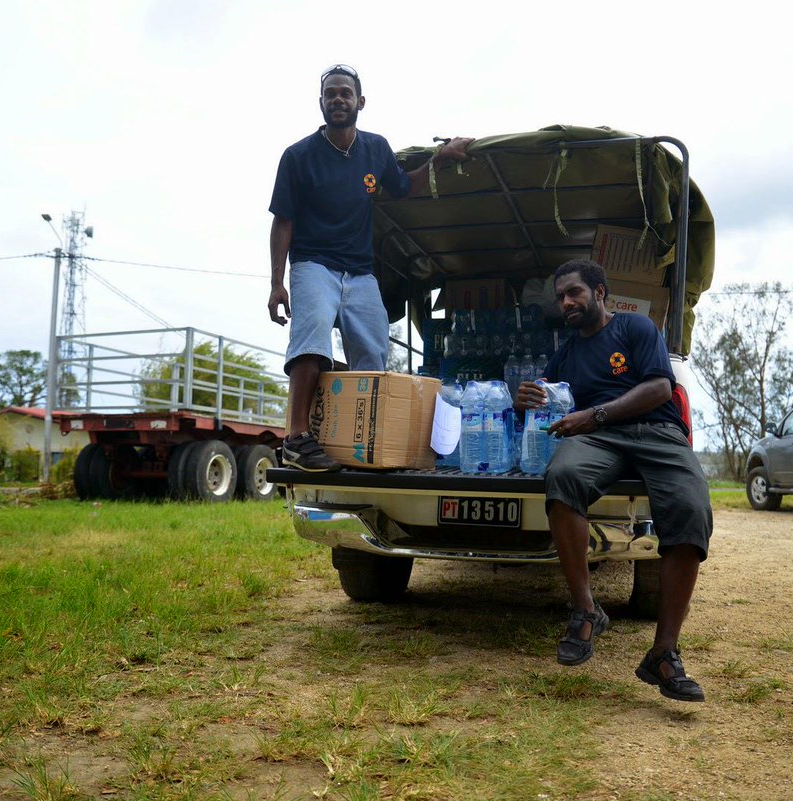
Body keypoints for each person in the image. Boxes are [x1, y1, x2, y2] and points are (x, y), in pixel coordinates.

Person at [514, 258, 713, 702]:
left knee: (691, 508)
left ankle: (664, 653)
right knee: (563, 476)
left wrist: (596, 414)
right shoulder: (567, 353)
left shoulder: (635, 328)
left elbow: (660, 388)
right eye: (561, 296)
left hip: (657, 431)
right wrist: (525, 397)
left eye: (574, 292)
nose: (566, 302)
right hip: (598, 440)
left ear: (600, 292)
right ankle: (586, 610)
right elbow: (547, 395)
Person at [268, 63, 473, 472]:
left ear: (360, 102)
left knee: (374, 351)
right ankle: (296, 438)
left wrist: (439, 159)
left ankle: (364, 442)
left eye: (345, 93)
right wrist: (277, 283)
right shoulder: (298, 156)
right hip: (313, 264)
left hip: (360, 273)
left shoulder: (375, 149)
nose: (338, 99)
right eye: (330, 94)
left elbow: (405, 187)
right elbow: (283, 222)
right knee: (312, 341)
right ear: (321, 103)